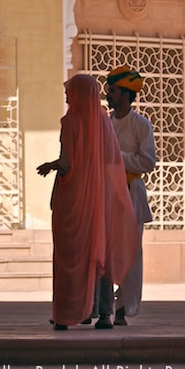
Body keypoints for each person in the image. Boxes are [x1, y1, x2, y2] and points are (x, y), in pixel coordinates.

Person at [37, 73, 139, 330]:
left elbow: (67, 163)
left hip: (73, 196)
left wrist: (50, 166)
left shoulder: (70, 121)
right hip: (98, 196)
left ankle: (67, 313)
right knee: (98, 251)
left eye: (70, 91)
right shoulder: (103, 122)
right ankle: (104, 314)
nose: (66, 95)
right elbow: (111, 161)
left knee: (70, 256)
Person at [106, 65, 156, 326]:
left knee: (131, 251)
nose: (108, 95)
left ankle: (124, 307)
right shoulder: (105, 123)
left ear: (126, 95)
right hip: (107, 194)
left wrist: (118, 158)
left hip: (131, 192)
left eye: (113, 91)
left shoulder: (141, 125)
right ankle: (103, 304)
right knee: (107, 248)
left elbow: (148, 162)